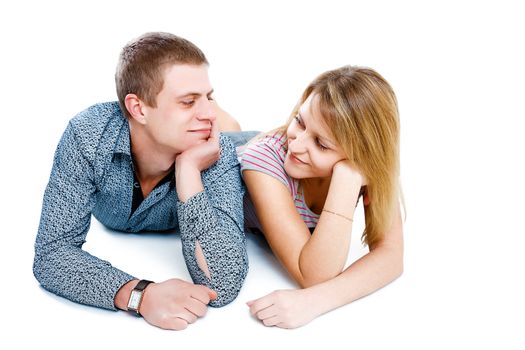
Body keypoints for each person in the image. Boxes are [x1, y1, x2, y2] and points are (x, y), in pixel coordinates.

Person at [33, 32, 248, 331]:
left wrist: (188, 171)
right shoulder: (89, 136)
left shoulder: (213, 148)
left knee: (247, 142)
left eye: (209, 97)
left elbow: (222, 281)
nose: (209, 115)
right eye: (188, 101)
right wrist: (138, 294)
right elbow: (52, 255)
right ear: (138, 108)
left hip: (263, 160)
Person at [240, 65, 404, 328]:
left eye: (321, 143)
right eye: (299, 121)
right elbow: (314, 274)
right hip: (210, 166)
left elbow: (392, 256)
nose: (297, 144)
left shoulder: (360, 169)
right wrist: (346, 180)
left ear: (358, 157)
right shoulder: (264, 159)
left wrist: (313, 302)